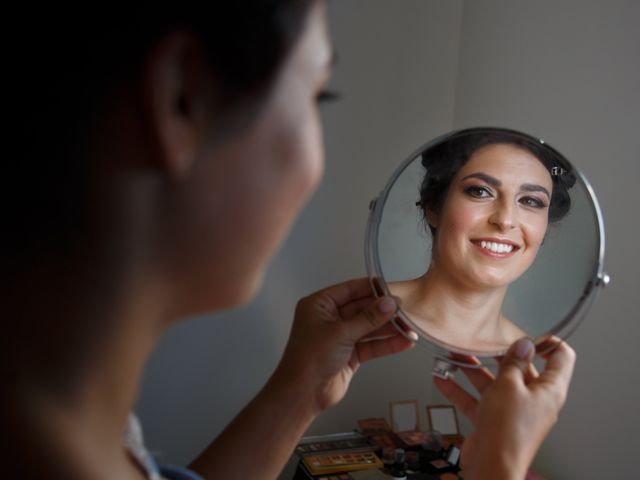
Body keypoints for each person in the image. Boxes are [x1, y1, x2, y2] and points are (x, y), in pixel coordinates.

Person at [2, 3, 576, 479]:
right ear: (183, 98)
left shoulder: (77, 430)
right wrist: (500, 465)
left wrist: (298, 392)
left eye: (531, 201)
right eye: (315, 97)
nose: (505, 220)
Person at [390, 129, 576, 351]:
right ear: (434, 207)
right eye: (480, 191)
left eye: (531, 201)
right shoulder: (355, 315)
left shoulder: (530, 364)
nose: (505, 220)